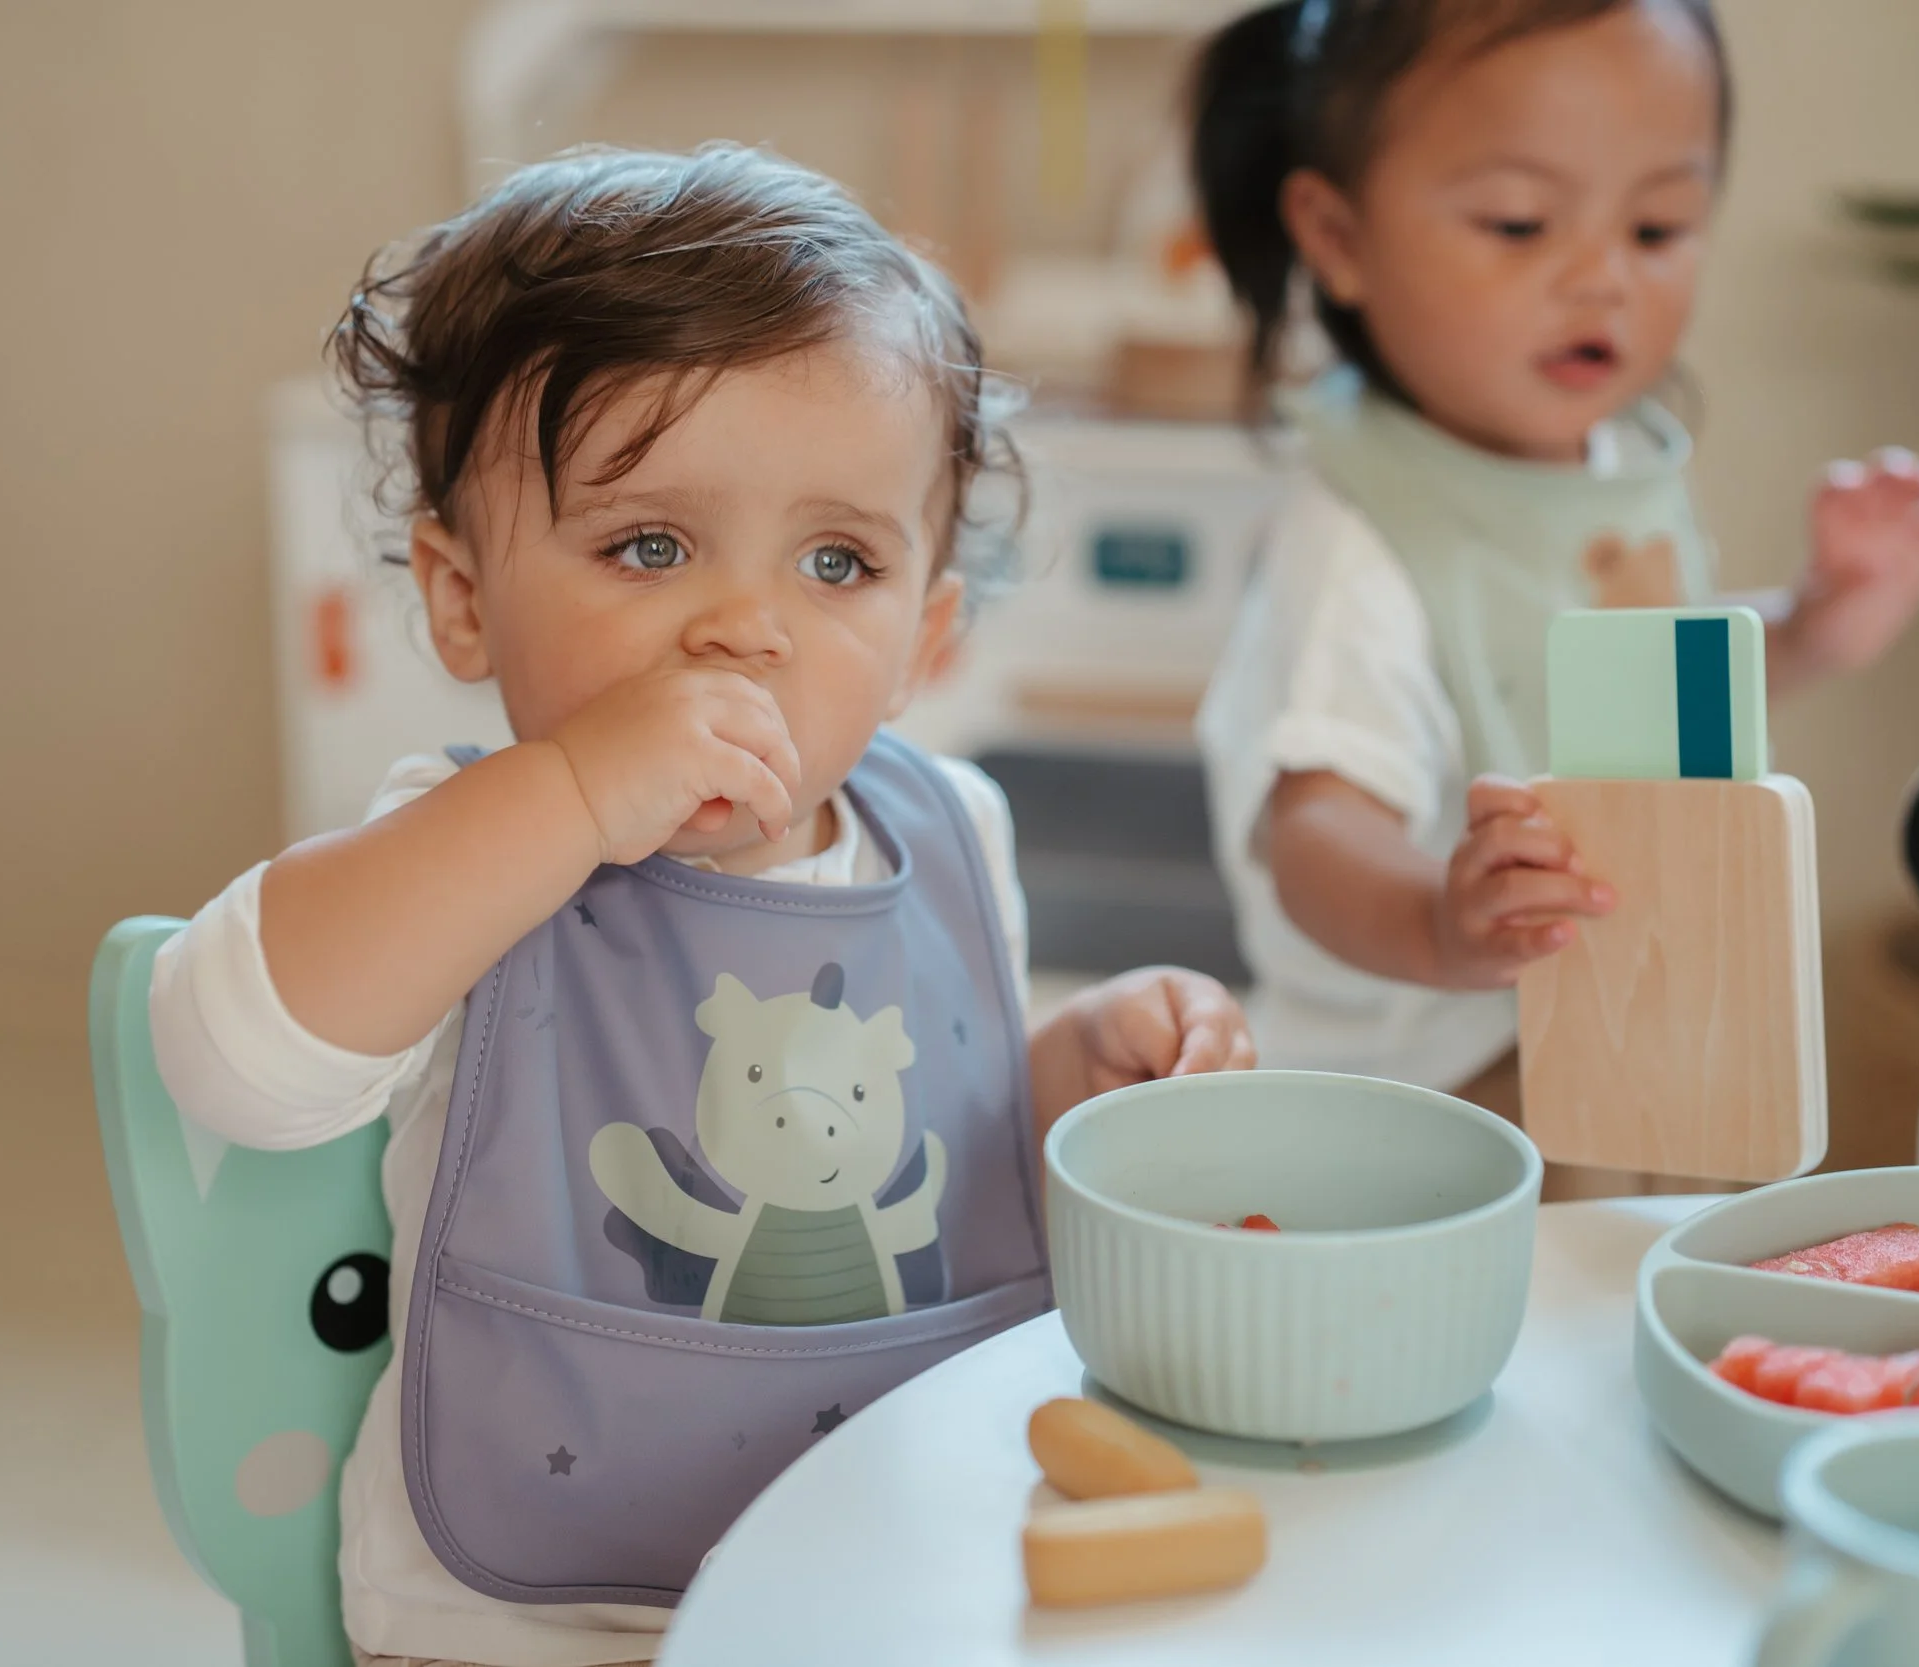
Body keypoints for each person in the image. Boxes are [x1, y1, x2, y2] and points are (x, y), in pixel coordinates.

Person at [148, 144, 1253, 1667]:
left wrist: (1082, 1065)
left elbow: (947, 1130)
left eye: (838, 559)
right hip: (536, 1616)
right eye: (650, 544)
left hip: (892, 1583)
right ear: (464, 597)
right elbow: (226, 1054)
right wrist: (579, 797)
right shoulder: (472, 845)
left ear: (926, 630)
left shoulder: (951, 832)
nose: (748, 625)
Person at [1188, 0, 1919, 1140]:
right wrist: (1440, 923)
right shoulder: (1358, 537)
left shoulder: (1614, 464)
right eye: (1517, 223)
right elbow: (1314, 824)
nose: (1602, 277)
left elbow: (1645, 682)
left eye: (1655, 229)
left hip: (1634, 1015)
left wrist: (1811, 619)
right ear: (1339, 238)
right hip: (1447, 1084)